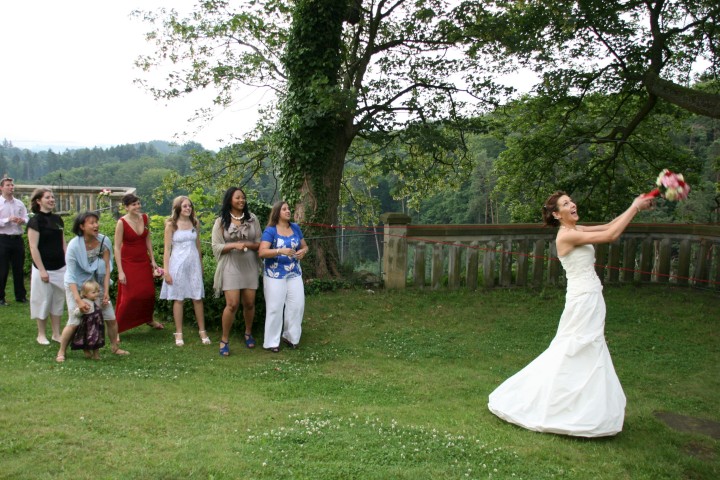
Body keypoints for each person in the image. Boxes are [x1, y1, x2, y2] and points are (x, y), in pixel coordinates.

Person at [487, 191, 653, 437]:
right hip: (582, 300)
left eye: (571, 201)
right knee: (575, 348)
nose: (572, 204)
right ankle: (554, 404)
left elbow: (609, 225)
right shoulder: (566, 235)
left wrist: (634, 205)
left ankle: (587, 408)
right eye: (565, 204)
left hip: (592, 296)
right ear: (556, 214)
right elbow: (611, 235)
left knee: (587, 348)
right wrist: (636, 207)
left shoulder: (576, 229)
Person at [56, 211, 128, 362]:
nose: (96, 225)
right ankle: (61, 351)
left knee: (110, 317)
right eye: (92, 223)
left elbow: (107, 268)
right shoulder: (74, 246)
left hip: (96, 285)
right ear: (82, 226)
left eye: (97, 222)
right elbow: (70, 275)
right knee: (75, 320)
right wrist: (78, 300)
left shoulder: (104, 241)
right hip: (76, 285)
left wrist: (106, 292)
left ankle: (115, 347)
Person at [211, 187, 261, 356]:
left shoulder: (252, 219)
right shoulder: (220, 222)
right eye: (237, 197)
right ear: (229, 200)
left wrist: (247, 244)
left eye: (243, 197)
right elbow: (216, 247)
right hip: (230, 265)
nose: (241, 200)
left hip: (249, 264)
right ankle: (224, 339)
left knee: (249, 303)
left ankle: (248, 333)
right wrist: (233, 245)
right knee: (232, 304)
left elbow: (260, 243)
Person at [258, 201, 309, 353]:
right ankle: (271, 342)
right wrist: (280, 251)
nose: (288, 211)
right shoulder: (270, 231)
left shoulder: (295, 227)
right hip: (275, 275)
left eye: (288, 209)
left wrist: (303, 252)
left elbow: (305, 246)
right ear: (277, 212)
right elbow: (262, 252)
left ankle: (290, 337)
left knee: (297, 305)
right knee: (275, 307)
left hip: (294, 273)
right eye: (284, 209)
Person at [159, 196, 211, 346]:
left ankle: (202, 331)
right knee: (179, 298)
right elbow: (167, 250)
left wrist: (200, 265)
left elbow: (198, 246)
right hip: (177, 265)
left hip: (193, 264)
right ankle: (179, 333)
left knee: (197, 297)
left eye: (190, 206)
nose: (188, 208)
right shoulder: (171, 225)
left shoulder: (195, 223)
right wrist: (166, 272)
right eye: (185, 206)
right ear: (178, 209)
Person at [114, 193, 163, 334]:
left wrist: (152, 260)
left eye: (138, 203)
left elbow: (147, 239)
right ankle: (116, 328)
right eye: (133, 204)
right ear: (126, 207)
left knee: (149, 293)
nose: (137, 206)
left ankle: (148, 319)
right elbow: (116, 247)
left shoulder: (145, 218)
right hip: (128, 262)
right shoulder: (121, 222)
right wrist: (120, 271)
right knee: (129, 297)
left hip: (143, 260)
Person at [27, 188, 66, 345]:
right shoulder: (35, 221)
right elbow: (33, 247)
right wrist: (42, 270)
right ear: (38, 201)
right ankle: (41, 334)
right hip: (43, 268)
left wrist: (67, 263)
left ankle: (56, 334)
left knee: (58, 301)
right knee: (42, 300)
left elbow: (63, 243)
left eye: (52, 197)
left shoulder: (58, 219)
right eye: (47, 197)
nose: (51, 199)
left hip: (60, 266)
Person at [0, 177, 29, 306]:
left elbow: (27, 217)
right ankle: (1, 297)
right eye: (8, 185)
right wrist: (7, 220)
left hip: (17, 239)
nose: (11, 187)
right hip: (3, 239)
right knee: (2, 269)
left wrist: (22, 220)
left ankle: (21, 296)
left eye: (12, 185)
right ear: (1, 188)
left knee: (19, 268)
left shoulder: (19, 203)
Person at [69, 280, 105, 360]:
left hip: (97, 325)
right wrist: (81, 310)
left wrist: (104, 305)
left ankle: (96, 354)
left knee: (97, 339)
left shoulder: (97, 300)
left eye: (98, 291)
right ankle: (86, 350)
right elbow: (76, 313)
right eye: (93, 292)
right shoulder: (83, 302)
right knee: (85, 338)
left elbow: (99, 309)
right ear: (85, 294)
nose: (96, 294)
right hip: (87, 326)